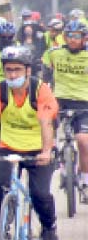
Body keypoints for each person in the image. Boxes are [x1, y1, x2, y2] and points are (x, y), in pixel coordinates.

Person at [0, 46, 59, 240]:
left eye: (17, 70)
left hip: (39, 149)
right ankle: (3, 227)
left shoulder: (41, 90)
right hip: (8, 148)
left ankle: (49, 228)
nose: (12, 75)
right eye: (8, 70)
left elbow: (46, 122)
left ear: (28, 71)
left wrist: (46, 152)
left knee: (40, 194)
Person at [46, 21, 88, 194]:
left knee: (83, 141)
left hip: (83, 102)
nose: (72, 40)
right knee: (47, 127)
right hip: (60, 100)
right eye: (69, 36)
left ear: (84, 38)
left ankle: (85, 181)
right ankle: (57, 157)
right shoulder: (54, 54)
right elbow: (46, 71)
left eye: (77, 36)